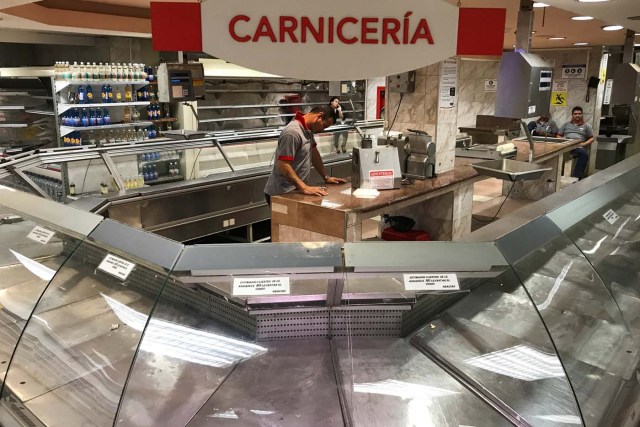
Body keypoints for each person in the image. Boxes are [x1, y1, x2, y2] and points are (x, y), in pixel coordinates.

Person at [264, 105, 347, 204]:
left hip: (295, 191)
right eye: (324, 126)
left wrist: (326, 177)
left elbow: (314, 153)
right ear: (319, 116)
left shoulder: (307, 130)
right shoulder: (293, 132)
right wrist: (304, 188)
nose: (322, 130)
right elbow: (283, 165)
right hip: (281, 194)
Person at [557, 106, 594, 180]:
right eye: (575, 114)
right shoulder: (566, 124)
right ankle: (556, 176)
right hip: (566, 145)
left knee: (584, 154)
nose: (577, 115)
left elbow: (592, 138)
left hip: (578, 146)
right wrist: (563, 140)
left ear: (582, 115)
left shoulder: (586, 126)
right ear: (572, 115)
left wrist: (584, 144)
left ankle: (576, 177)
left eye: (579, 114)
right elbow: (558, 135)